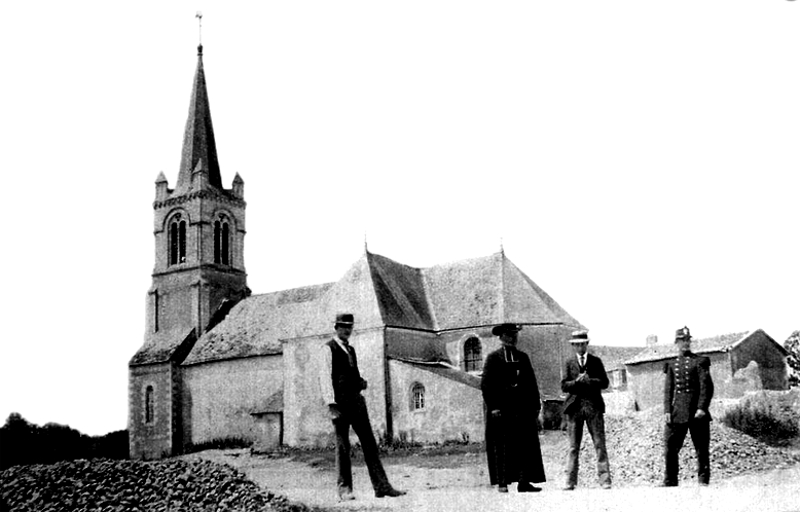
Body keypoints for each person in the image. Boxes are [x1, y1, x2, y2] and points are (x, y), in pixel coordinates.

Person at [318, 313, 406, 501]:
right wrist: (331, 404)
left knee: (370, 443)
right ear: (336, 327)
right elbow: (325, 377)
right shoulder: (328, 349)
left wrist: (360, 382)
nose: (347, 330)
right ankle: (344, 489)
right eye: (343, 326)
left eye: (349, 327)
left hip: (357, 402)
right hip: (340, 404)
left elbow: (350, 375)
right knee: (343, 446)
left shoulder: (351, 350)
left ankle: (382, 486)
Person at [481, 323, 546, 493]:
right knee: (502, 446)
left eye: (515, 335)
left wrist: (536, 406)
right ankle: (503, 482)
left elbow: (531, 383)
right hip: (502, 411)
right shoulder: (493, 358)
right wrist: (494, 407)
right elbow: (487, 385)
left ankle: (524, 482)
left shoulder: (523, 357)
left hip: (522, 410)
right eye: (510, 335)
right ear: (502, 337)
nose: (514, 338)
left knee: (525, 445)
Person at [663, 326, 714, 487]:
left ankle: (703, 480)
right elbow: (668, 389)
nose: (685, 343)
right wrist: (667, 410)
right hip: (678, 412)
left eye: (687, 340)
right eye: (682, 341)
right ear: (676, 343)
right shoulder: (672, 364)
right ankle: (670, 480)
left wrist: (702, 408)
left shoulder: (699, 361)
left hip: (696, 412)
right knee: (670, 446)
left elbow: (707, 387)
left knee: (701, 448)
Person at [560, 329, 612, 490]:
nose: (580, 347)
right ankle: (570, 481)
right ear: (573, 346)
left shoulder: (596, 361)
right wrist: (576, 382)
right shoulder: (568, 363)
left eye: (582, 344)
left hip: (593, 406)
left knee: (599, 444)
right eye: (577, 345)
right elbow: (563, 385)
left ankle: (605, 480)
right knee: (573, 447)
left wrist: (590, 381)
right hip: (575, 408)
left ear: (587, 344)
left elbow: (605, 383)